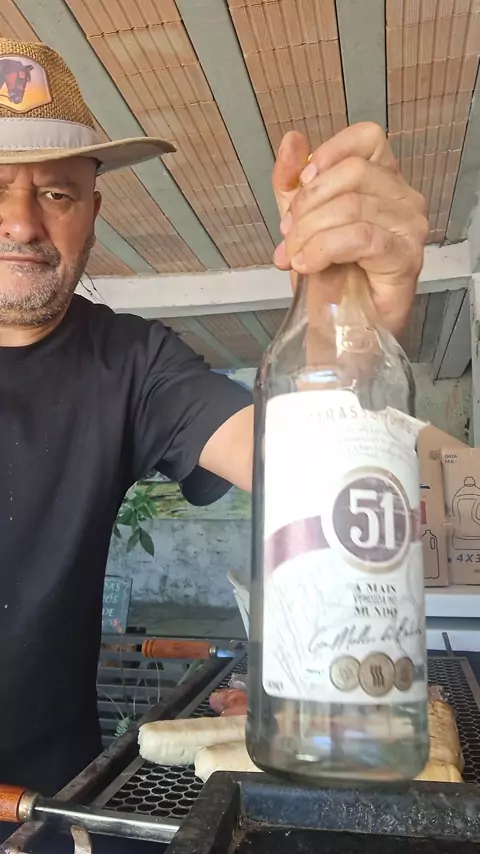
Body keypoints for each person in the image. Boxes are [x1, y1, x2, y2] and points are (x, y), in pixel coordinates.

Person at [0, 37, 428, 797]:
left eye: (57, 193)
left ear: (93, 212)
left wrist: (351, 329)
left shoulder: (132, 364)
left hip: (50, 812)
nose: (24, 224)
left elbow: (318, 478)